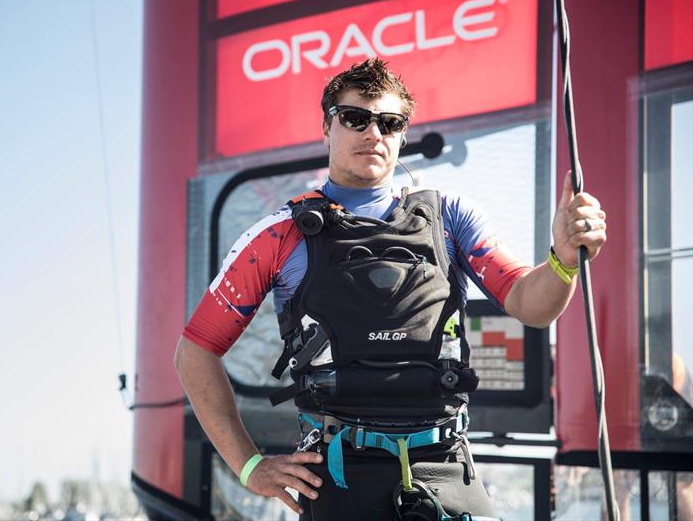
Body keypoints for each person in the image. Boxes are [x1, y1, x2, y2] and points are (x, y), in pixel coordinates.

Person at [174, 58, 607, 520]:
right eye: (354, 118)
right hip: (337, 475)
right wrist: (249, 465)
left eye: (389, 122)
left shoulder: (451, 217)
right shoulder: (278, 235)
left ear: (401, 135)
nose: (372, 133)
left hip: (447, 469)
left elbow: (530, 304)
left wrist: (562, 262)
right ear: (327, 128)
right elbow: (195, 351)